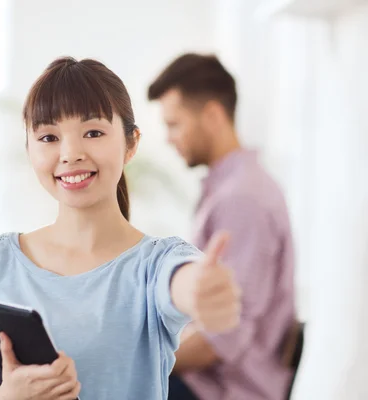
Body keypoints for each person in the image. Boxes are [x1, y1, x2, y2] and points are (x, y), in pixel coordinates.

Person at [0, 56, 242, 400]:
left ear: (131, 143)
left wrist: (200, 291)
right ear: (29, 148)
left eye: (94, 132)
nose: (70, 153)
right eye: (48, 137)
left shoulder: (156, 264)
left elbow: (181, 281)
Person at [148, 53, 297, 400]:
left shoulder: (242, 199)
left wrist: (139, 361)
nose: (169, 138)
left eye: (174, 124)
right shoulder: (233, 188)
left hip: (222, 390)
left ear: (213, 115)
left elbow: (221, 338)